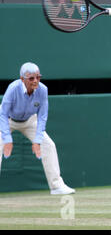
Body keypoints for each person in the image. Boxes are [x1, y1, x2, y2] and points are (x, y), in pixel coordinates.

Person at [0, 62, 75, 195]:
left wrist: (38, 140)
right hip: (7, 120)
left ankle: (56, 186)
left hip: (30, 121)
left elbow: (42, 116)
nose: (35, 81)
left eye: (38, 77)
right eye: (31, 78)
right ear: (22, 79)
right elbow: (3, 114)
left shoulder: (43, 90)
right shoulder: (12, 88)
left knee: (49, 145)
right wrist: (7, 139)